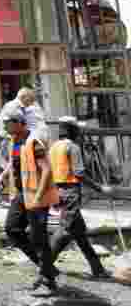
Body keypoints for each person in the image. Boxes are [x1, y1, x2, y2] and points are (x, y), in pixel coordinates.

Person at [0, 112, 60, 291]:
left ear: (19, 123)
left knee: (38, 237)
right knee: (12, 229)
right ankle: (47, 268)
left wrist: (39, 196)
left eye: (7, 123)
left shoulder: (33, 142)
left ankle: (47, 274)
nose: (4, 126)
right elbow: (15, 163)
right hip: (21, 194)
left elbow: (47, 169)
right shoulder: (13, 141)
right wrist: (3, 174)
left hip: (36, 196)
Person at [48, 116, 110, 279]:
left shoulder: (54, 147)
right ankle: (44, 266)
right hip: (70, 193)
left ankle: (98, 269)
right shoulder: (73, 147)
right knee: (65, 231)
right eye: (78, 129)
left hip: (58, 191)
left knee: (80, 234)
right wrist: (100, 188)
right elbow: (79, 173)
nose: (80, 132)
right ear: (72, 130)